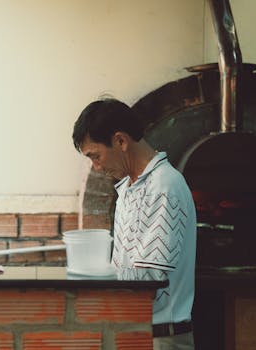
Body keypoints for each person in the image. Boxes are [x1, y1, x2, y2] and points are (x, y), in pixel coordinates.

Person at [72, 98, 197, 350]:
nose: (96, 167)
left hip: (161, 339)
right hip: (136, 334)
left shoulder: (164, 187)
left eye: (96, 156)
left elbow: (148, 282)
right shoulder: (128, 190)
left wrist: (91, 274)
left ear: (120, 141)